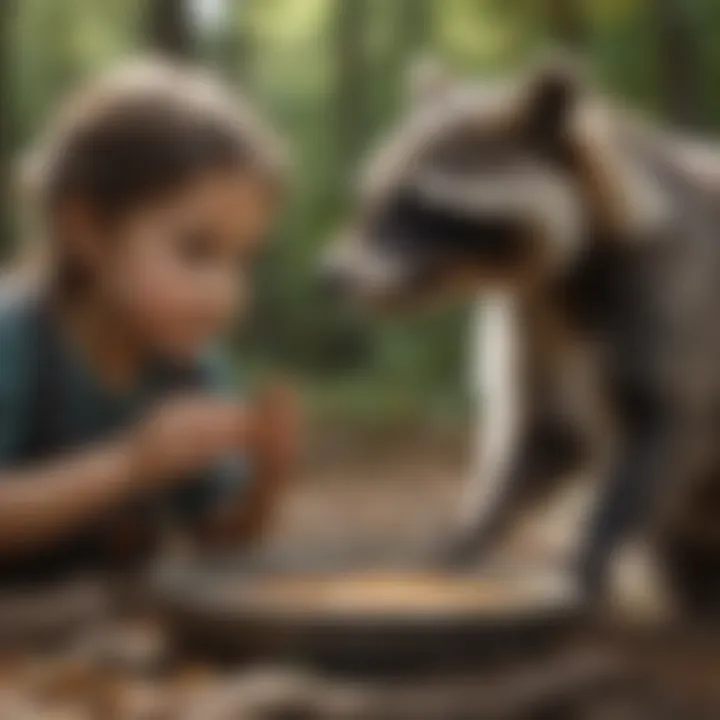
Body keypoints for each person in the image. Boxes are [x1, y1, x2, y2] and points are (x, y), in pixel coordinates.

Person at [0, 59, 298, 583]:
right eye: (196, 250)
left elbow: (216, 537)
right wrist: (132, 465)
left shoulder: (186, 367)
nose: (226, 292)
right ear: (86, 227)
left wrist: (266, 482)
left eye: (243, 260)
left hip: (85, 638)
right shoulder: (18, 341)